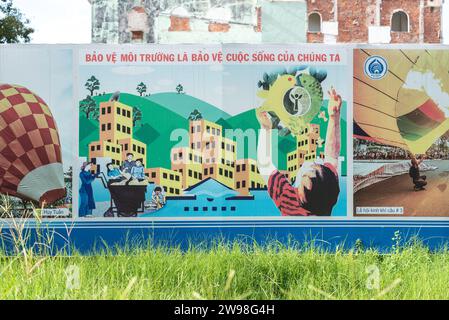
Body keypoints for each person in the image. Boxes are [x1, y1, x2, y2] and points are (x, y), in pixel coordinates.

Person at [256, 87, 342, 216]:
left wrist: (266, 129)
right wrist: (334, 117)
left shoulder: (288, 201)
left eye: (306, 175)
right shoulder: (327, 196)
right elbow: (332, 155)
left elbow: (264, 165)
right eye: (316, 166)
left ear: (301, 195)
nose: (308, 165)